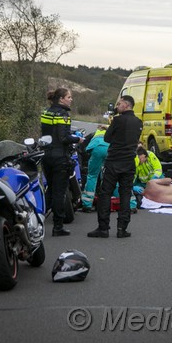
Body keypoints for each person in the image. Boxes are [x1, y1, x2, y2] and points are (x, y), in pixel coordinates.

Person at [88, 95, 142, 239]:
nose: (117, 106)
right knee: (125, 193)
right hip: (129, 162)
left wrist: (111, 129)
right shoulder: (138, 122)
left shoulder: (117, 120)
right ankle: (122, 228)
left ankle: (103, 228)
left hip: (114, 161)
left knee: (105, 193)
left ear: (126, 105)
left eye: (119, 104)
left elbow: (107, 138)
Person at [40, 88, 84, 236]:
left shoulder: (47, 112)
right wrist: (78, 139)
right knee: (59, 193)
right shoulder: (63, 114)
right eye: (69, 97)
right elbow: (63, 137)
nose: (71, 99)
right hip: (60, 157)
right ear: (61, 99)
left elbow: (47, 134)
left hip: (47, 156)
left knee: (50, 190)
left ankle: (38, 220)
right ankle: (58, 226)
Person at [82, 125, 109, 212]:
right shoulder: (110, 131)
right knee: (109, 175)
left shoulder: (94, 134)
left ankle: (87, 204)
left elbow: (83, 146)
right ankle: (108, 202)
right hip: (110, 149)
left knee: (92, 176)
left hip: (97, 148)